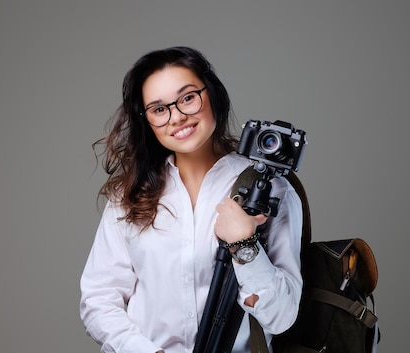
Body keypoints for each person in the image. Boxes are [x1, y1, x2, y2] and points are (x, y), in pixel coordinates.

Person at [80, 46, 303, 353]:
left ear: (211, 94)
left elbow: (282, 317)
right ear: (146, 120)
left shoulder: (270, 190)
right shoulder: (129, 195)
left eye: (187, 98)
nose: (177, 117)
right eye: (159, 109)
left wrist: (244, 245)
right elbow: (98, 299)